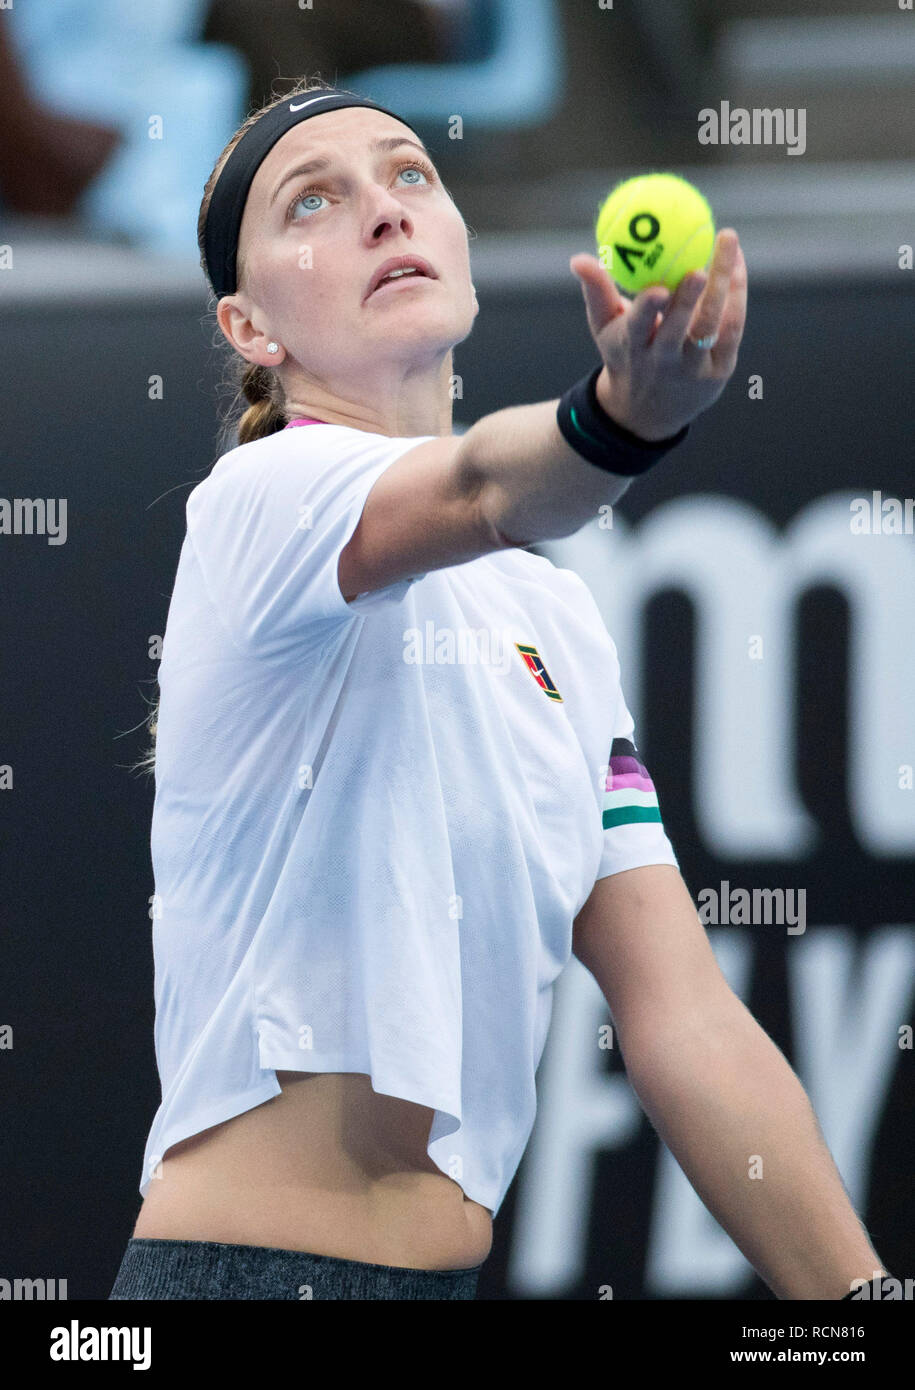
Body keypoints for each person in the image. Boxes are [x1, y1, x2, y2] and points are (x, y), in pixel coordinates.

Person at [109, 77, 888, 1301]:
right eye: (314, 200)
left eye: (409, 174)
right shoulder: (256, 505)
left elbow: (682, 1014)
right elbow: (478, 485)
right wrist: (624, 419)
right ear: (250, 328)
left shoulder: (553, 619)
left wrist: (859, 1303)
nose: (382, 211)